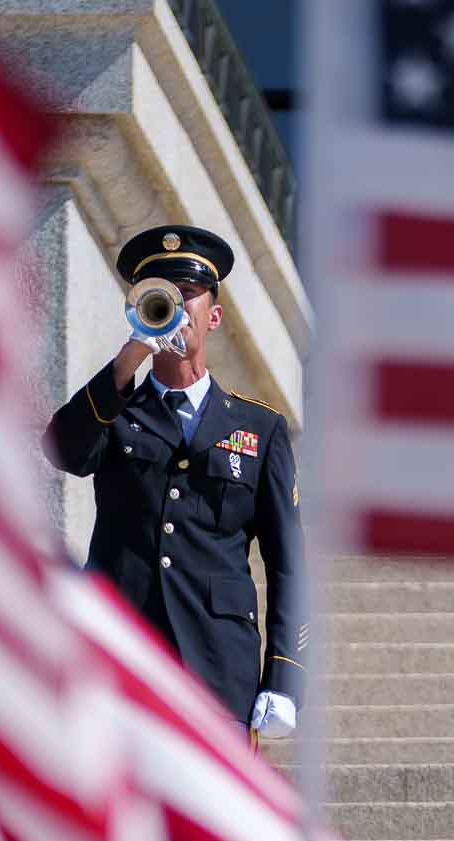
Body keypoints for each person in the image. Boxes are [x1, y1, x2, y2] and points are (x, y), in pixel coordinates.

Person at [43, 224, 303, 740]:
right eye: (160, 296)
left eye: (187, 297)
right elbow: (64, 450)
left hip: (217, 663)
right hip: (124, 656)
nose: (177, 310)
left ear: (215, 315)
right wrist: (132, 355)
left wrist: (283, 677)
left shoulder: (259, 428)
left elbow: (288, 561)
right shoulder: (114, 410)